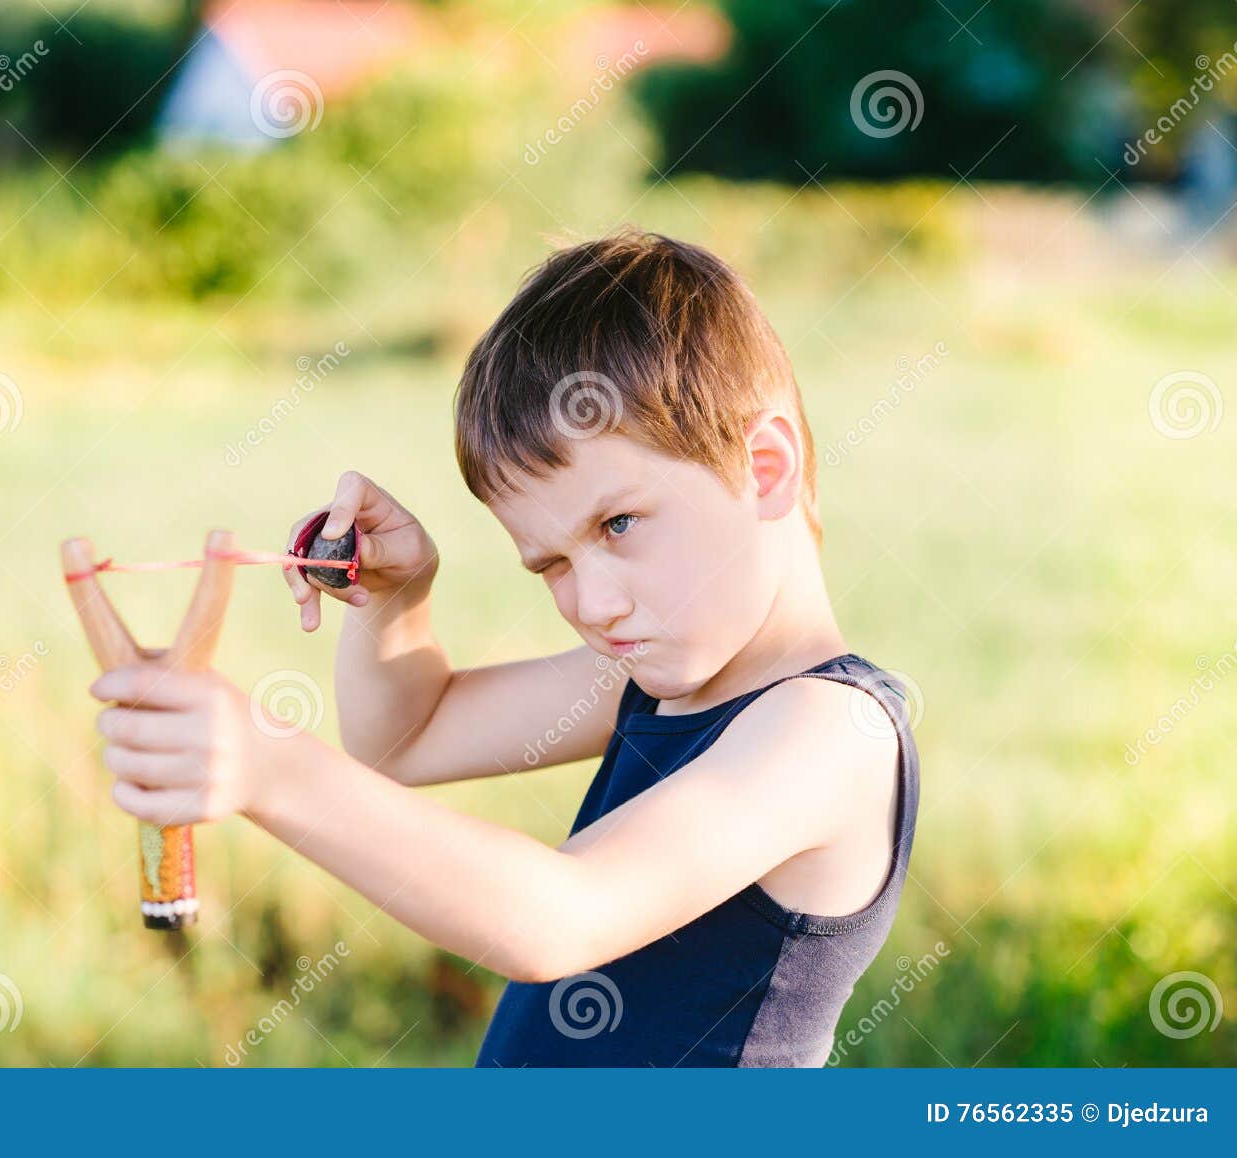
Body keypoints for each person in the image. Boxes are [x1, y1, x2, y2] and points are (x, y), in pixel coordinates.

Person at [89, 230, 920, 1066]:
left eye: (618, 524)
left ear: (765, 468)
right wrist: (395, 604)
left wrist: (269, 766)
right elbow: (403, 742)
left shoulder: (827, 735)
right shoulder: (654, 680)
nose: (591, 603)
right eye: (551, 563)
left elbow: (561, 917)